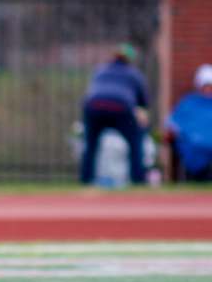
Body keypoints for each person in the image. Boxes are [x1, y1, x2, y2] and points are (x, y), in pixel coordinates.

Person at [80, 43, 150, 185]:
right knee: (136, 142)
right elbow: (143, 102)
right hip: (121, 107)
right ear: (130, 60)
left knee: (90, 145)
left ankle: (86, 180)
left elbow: (92, 92)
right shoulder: (134, 74)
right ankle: (138, 180)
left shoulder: (101, 70)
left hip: (94, 106)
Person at [166, 64, 212, 181]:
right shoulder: (189, 102)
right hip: (193, 146)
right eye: (206, 86)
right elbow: (173, 122)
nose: (208, 89)